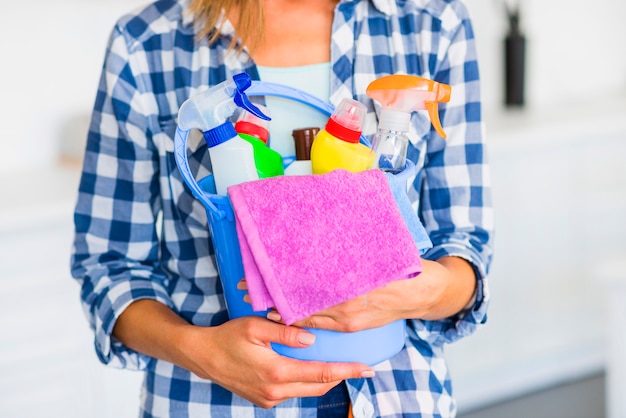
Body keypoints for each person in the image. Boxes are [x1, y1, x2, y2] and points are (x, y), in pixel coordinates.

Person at [70, 0, 494, 416]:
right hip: (212, 401)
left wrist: (416, 293)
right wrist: (203, 351)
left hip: (394, 390)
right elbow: (109, 265)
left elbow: (465, 250)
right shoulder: (148, 43)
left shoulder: (430, 21)